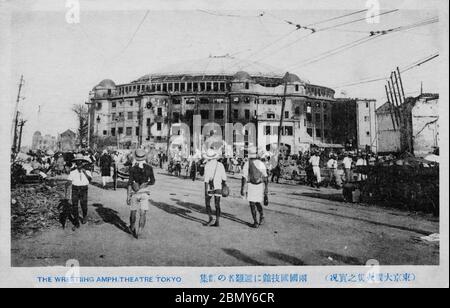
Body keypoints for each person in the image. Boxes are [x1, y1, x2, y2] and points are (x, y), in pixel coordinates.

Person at [127, 149, 156, 239]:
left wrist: (128, 196)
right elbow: (153, 181)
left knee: (133, 211)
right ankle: (140, 231)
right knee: (143, 213)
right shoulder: (149, 168)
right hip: (145, 193)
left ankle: (132, 227)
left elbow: (130, 183)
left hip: (135, 193)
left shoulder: (132, 168)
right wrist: (146, 184)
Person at [241, 147, 269, 228]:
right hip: (259, 185)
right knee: (257, 202)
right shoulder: (261, 163)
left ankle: (256, 222)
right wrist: (266, 189)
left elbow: (244, 177)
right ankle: (262, 215)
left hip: (251, 185)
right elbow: (266, 177)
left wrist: (242, 188)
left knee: (252, 204)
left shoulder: (247, 163)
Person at [67, 154, 92, 230]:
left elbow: (90, 180)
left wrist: (84, 172)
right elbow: (69, 181)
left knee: (83, 204)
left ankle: (84, 216)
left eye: (80, 163)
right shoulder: (73, 172)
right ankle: (76, 223)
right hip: (75, 189)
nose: (79, 164)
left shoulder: (87, 171)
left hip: (84, 189)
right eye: (77, 163)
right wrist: (67, 185)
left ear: (83, 163)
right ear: (76, 164)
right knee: (75, 206)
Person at [203, 148, 227, 227]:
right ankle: (217, 221)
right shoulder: (220, 165)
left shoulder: (207, 165)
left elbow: (206, 180)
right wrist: (223, 185)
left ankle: (210, 218)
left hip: (210, 187)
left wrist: (205, 191)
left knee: (207, 203)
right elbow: (224, 178)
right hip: (218, 187)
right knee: (217, 205)